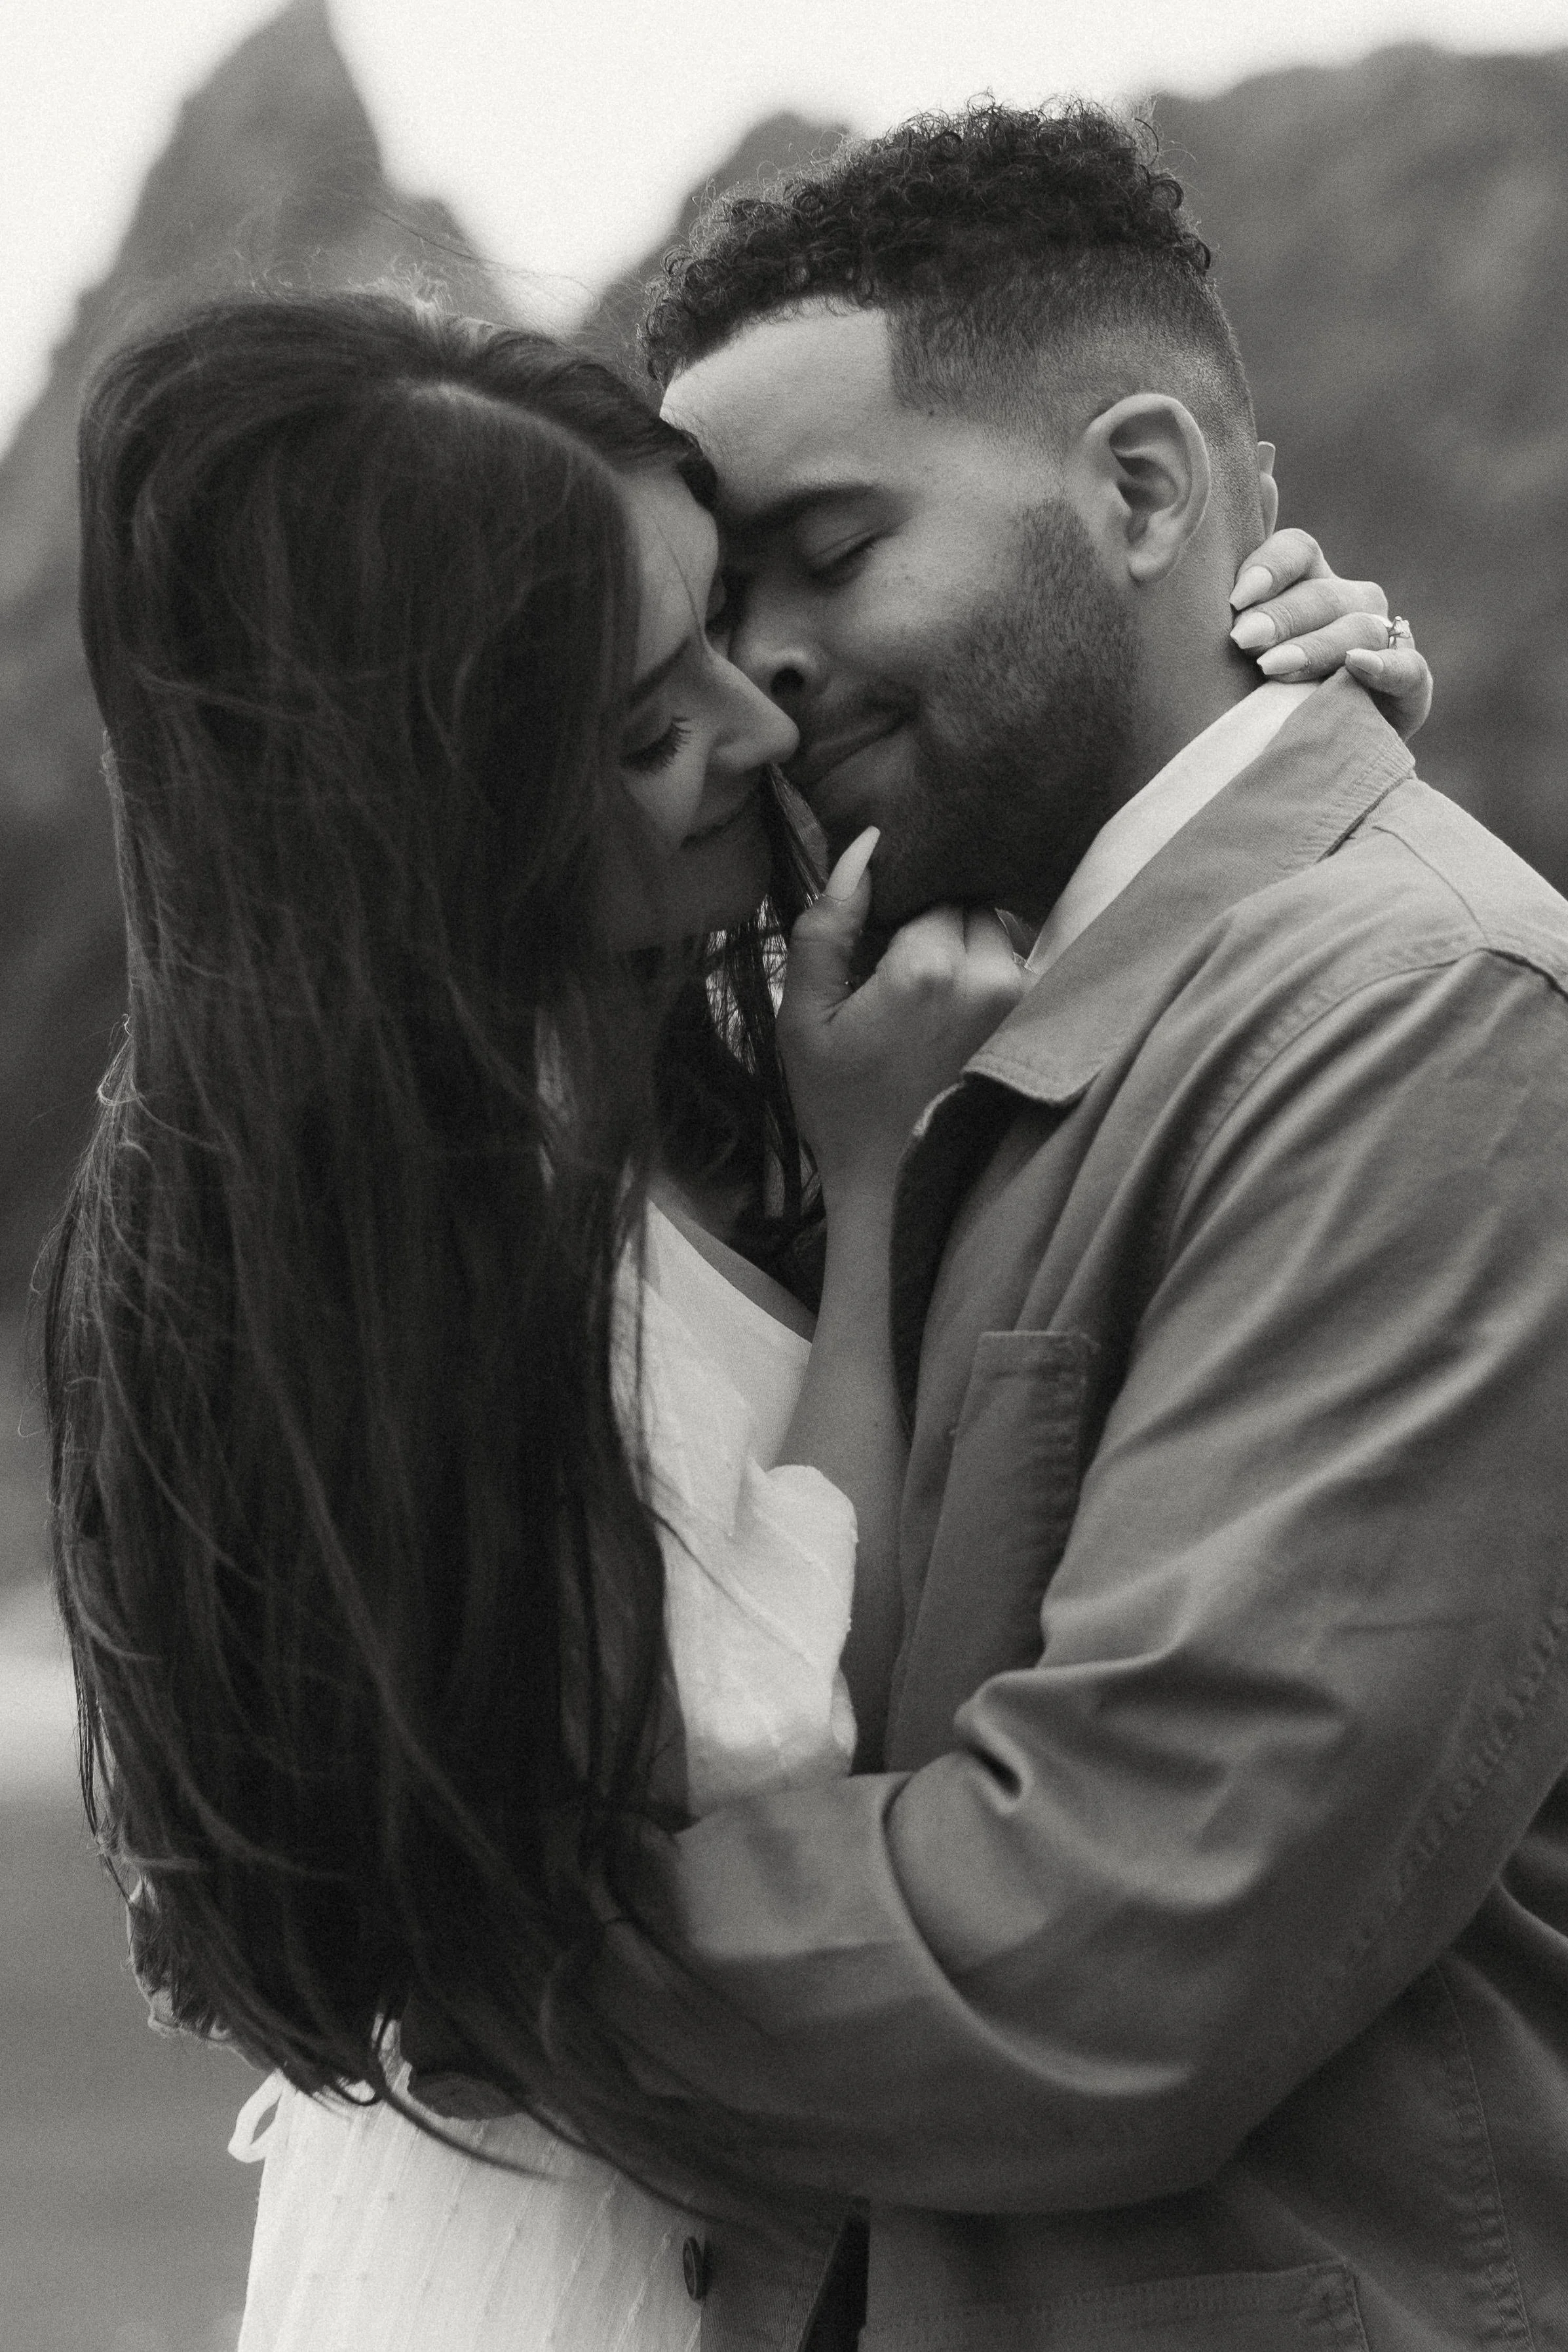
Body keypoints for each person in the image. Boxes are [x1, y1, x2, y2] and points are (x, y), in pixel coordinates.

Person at [44, 285, 1422, 2349]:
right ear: (429, 793)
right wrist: (860, 1194)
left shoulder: (581, 1058)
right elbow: (779, 1731)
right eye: (641, 716)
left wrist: (1266, 714)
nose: (757, 722)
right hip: (575, 2283)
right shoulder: (434, 1220)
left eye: (728, 618)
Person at [543, 101, 1568, 2352]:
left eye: (829, 550)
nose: (762, 678)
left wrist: (490, 1917)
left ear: (1137, 492)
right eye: (722, 613)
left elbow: (1116, 1933)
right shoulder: (914, 1019)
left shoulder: (1423, 1022)